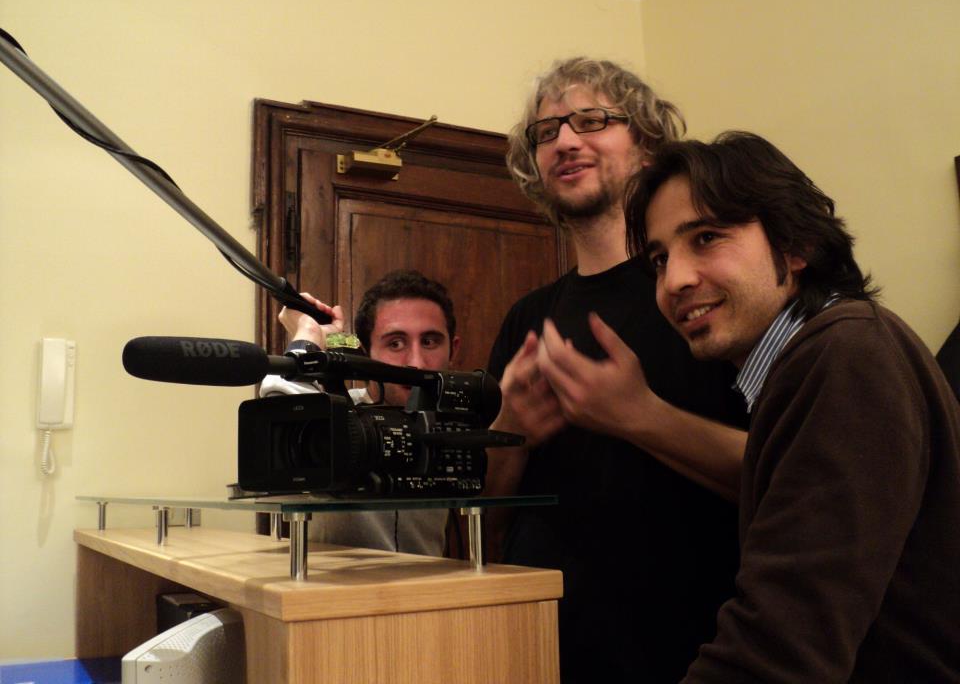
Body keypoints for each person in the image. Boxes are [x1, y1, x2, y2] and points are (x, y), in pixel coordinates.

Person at [626, 131, 960, 681]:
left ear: (795, 246)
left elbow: (783, 650)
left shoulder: (845, 355)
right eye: (660, 260)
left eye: (707, 237)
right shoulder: (823, 355)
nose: (675, 281)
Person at [485, 57, 750, 682]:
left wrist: (638, 416)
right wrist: (510, 432)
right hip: (542, 654)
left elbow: (787, 478)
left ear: (647, 145)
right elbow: (484, 522)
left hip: (693, 655)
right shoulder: (527, 317)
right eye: (546, 132)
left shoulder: (702, 297)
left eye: (592, 120)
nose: (564, 141)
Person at [261, 269, 461, 556]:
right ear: (366, 352)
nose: (416, 363)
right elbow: (277, 418)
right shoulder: (335, 411)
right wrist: (308, 336)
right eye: (395, 343)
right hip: (330, 582)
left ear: (453, 350)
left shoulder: (454, 424)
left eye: (429, 342)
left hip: (433, 582)